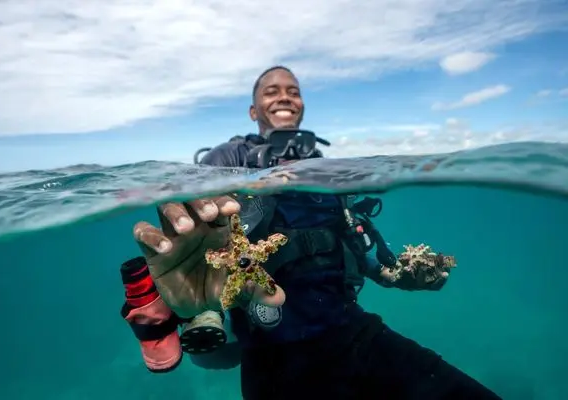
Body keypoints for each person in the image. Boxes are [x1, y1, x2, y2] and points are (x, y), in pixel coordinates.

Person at [120, 66, 501, 399]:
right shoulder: (229, 158)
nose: (284, 97)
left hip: (352, 331)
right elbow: (196, 211)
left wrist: (393, 275)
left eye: (293, 91)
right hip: (271, 356)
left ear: (302, 105)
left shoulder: (324, 168)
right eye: (271, 91)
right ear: (253, 111)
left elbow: (347, 239)